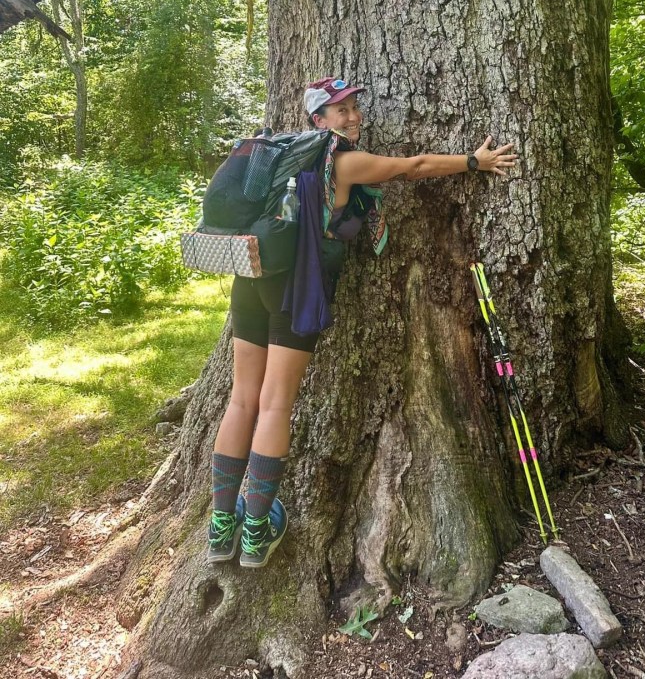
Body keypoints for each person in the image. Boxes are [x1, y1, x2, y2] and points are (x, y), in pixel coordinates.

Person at [207, 76, 518, 567]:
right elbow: (412, 167)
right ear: (319, 120)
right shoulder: (343, 161)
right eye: (339, 110)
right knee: (271, 406)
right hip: (295, 288)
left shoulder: (286, 156)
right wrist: (474, 161)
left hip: (252, 276)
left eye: (353, 106)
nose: (351, 115)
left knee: (242, 399)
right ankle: (254, 535)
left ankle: (221, 527)